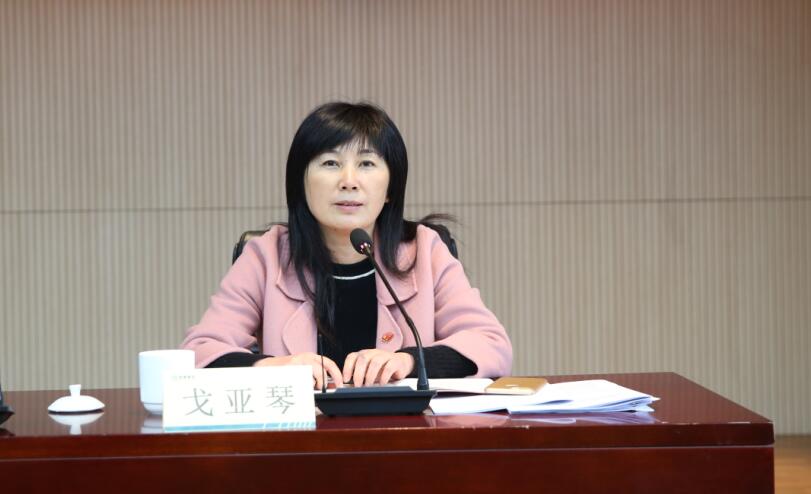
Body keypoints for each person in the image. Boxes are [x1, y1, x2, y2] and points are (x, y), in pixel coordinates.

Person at [181, 102, 512, 389]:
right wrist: (272, 367)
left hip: (402, 434)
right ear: (301, 183)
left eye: (366, 164)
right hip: (298, 436)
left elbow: (491, 345)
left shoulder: (424, 251)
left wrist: (409, 362)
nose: (349, 181)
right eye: (330, 163)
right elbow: (199, 352)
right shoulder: (267, 256)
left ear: (391, 188)